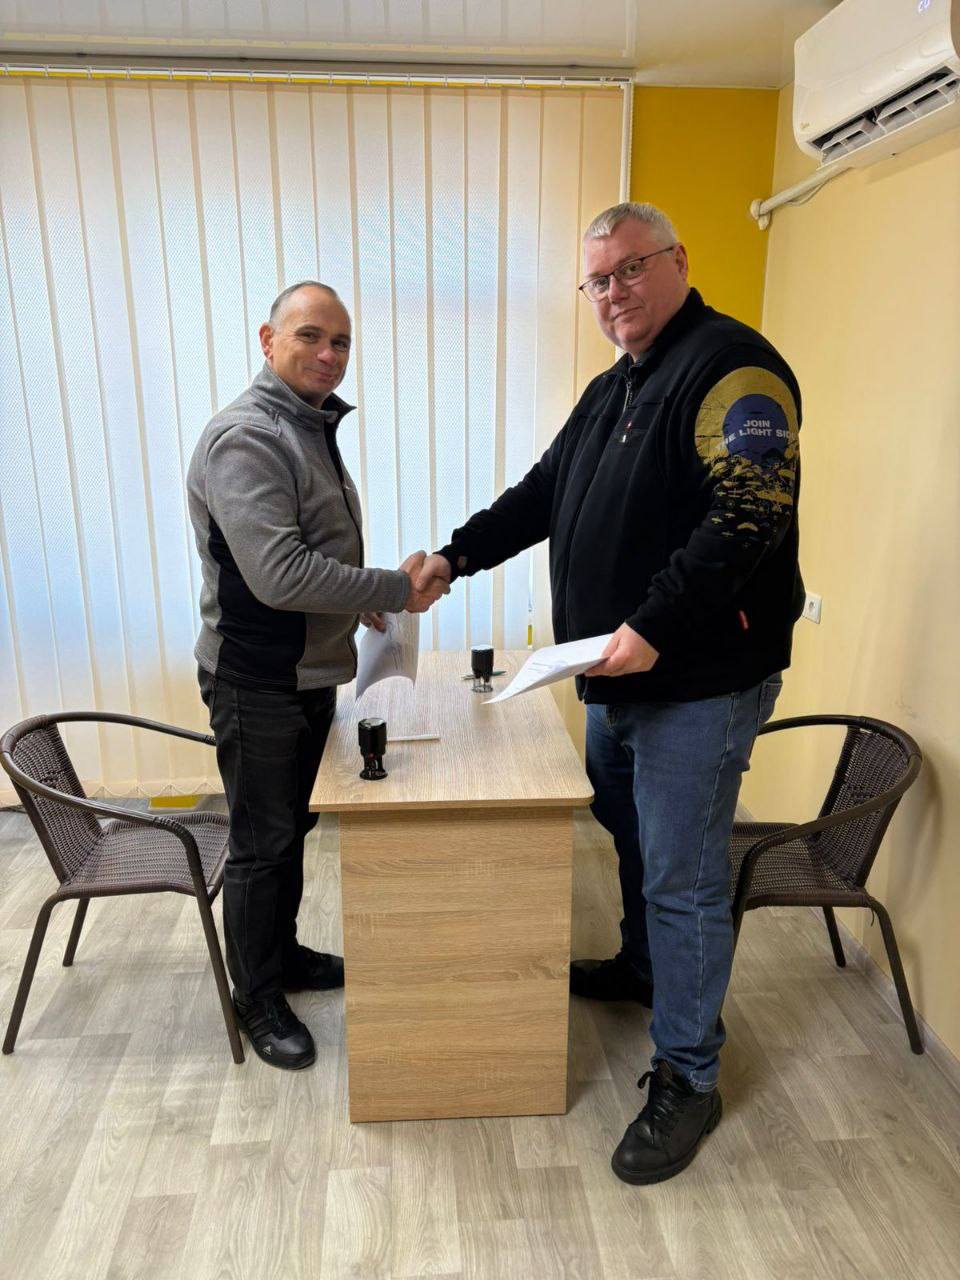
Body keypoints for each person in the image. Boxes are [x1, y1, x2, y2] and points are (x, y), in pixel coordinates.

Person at [413, 203, 803, 1182]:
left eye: (632, 268)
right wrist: (455, 557)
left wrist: (655, 625)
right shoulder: (612, 387)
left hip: (696, 683)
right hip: (610, 672)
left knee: (684, 877)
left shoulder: (733, 367)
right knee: (627, 834)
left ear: (678, 261)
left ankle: (690, 1074)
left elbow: (749, 513)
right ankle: (642, 967)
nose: (614, 292)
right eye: (598, 279)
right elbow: (543, 494)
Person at [187, 281, 446, 1070]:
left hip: (303, 672)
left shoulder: (306, 424)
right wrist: (390, 589)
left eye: (341, 342)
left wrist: (356, 601)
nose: (329, 354)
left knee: (291, 829)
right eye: (310, 336)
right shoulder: (247, 437)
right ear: (268, 340)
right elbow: (278, 574)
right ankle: (256, 997)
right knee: (263, 843)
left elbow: (309, 552)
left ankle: (285, 956)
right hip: (256, 679)